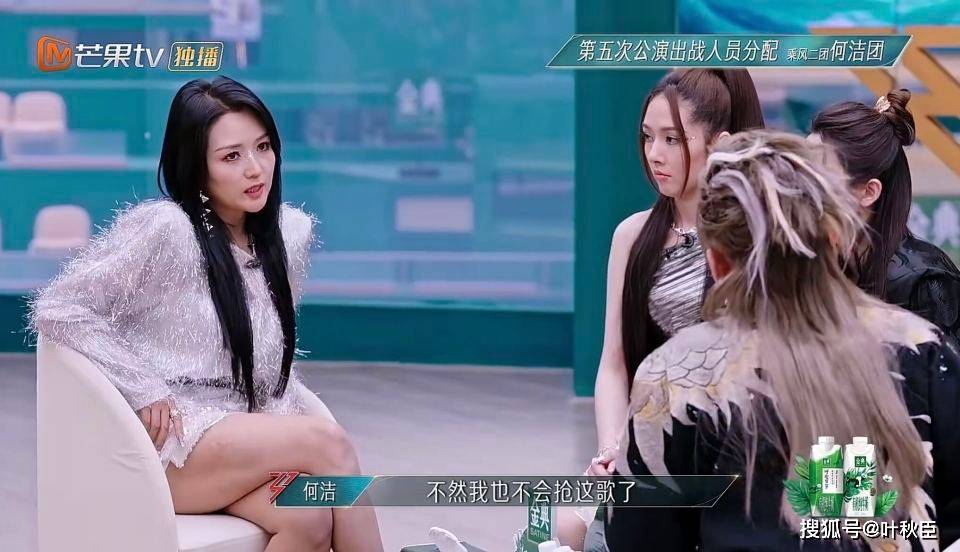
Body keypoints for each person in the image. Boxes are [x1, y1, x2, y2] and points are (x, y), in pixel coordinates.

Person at [30, 76, 384, 552]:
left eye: (263, 147)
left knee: (309, 516)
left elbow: (265, 358)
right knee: (329, 443)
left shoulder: (288, 235)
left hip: (247, 440)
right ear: (197, 168)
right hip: (177, 446)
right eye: (231, 156)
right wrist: (143, 387)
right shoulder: (167, 230)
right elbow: (59, 307)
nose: (255, 169)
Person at [604, 130, 959, 551]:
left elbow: (640, 539)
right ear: (835, 238)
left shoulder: (677, 376)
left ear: (716, 262)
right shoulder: (922, 350)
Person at [557, 68, 765, 551]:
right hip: (644, 444)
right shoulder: (632, 236)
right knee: (569, 523)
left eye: (672, 139)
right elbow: (613, 364)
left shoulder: (753, 240)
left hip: (727, 449)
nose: (655, 154)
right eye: (648, 137)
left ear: (719, 145)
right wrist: (612, 449)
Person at [811, 89, 960, 340]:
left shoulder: (924, 282)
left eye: (816, 175)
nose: (797, 185)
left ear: (869, 192)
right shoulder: (807, 266)